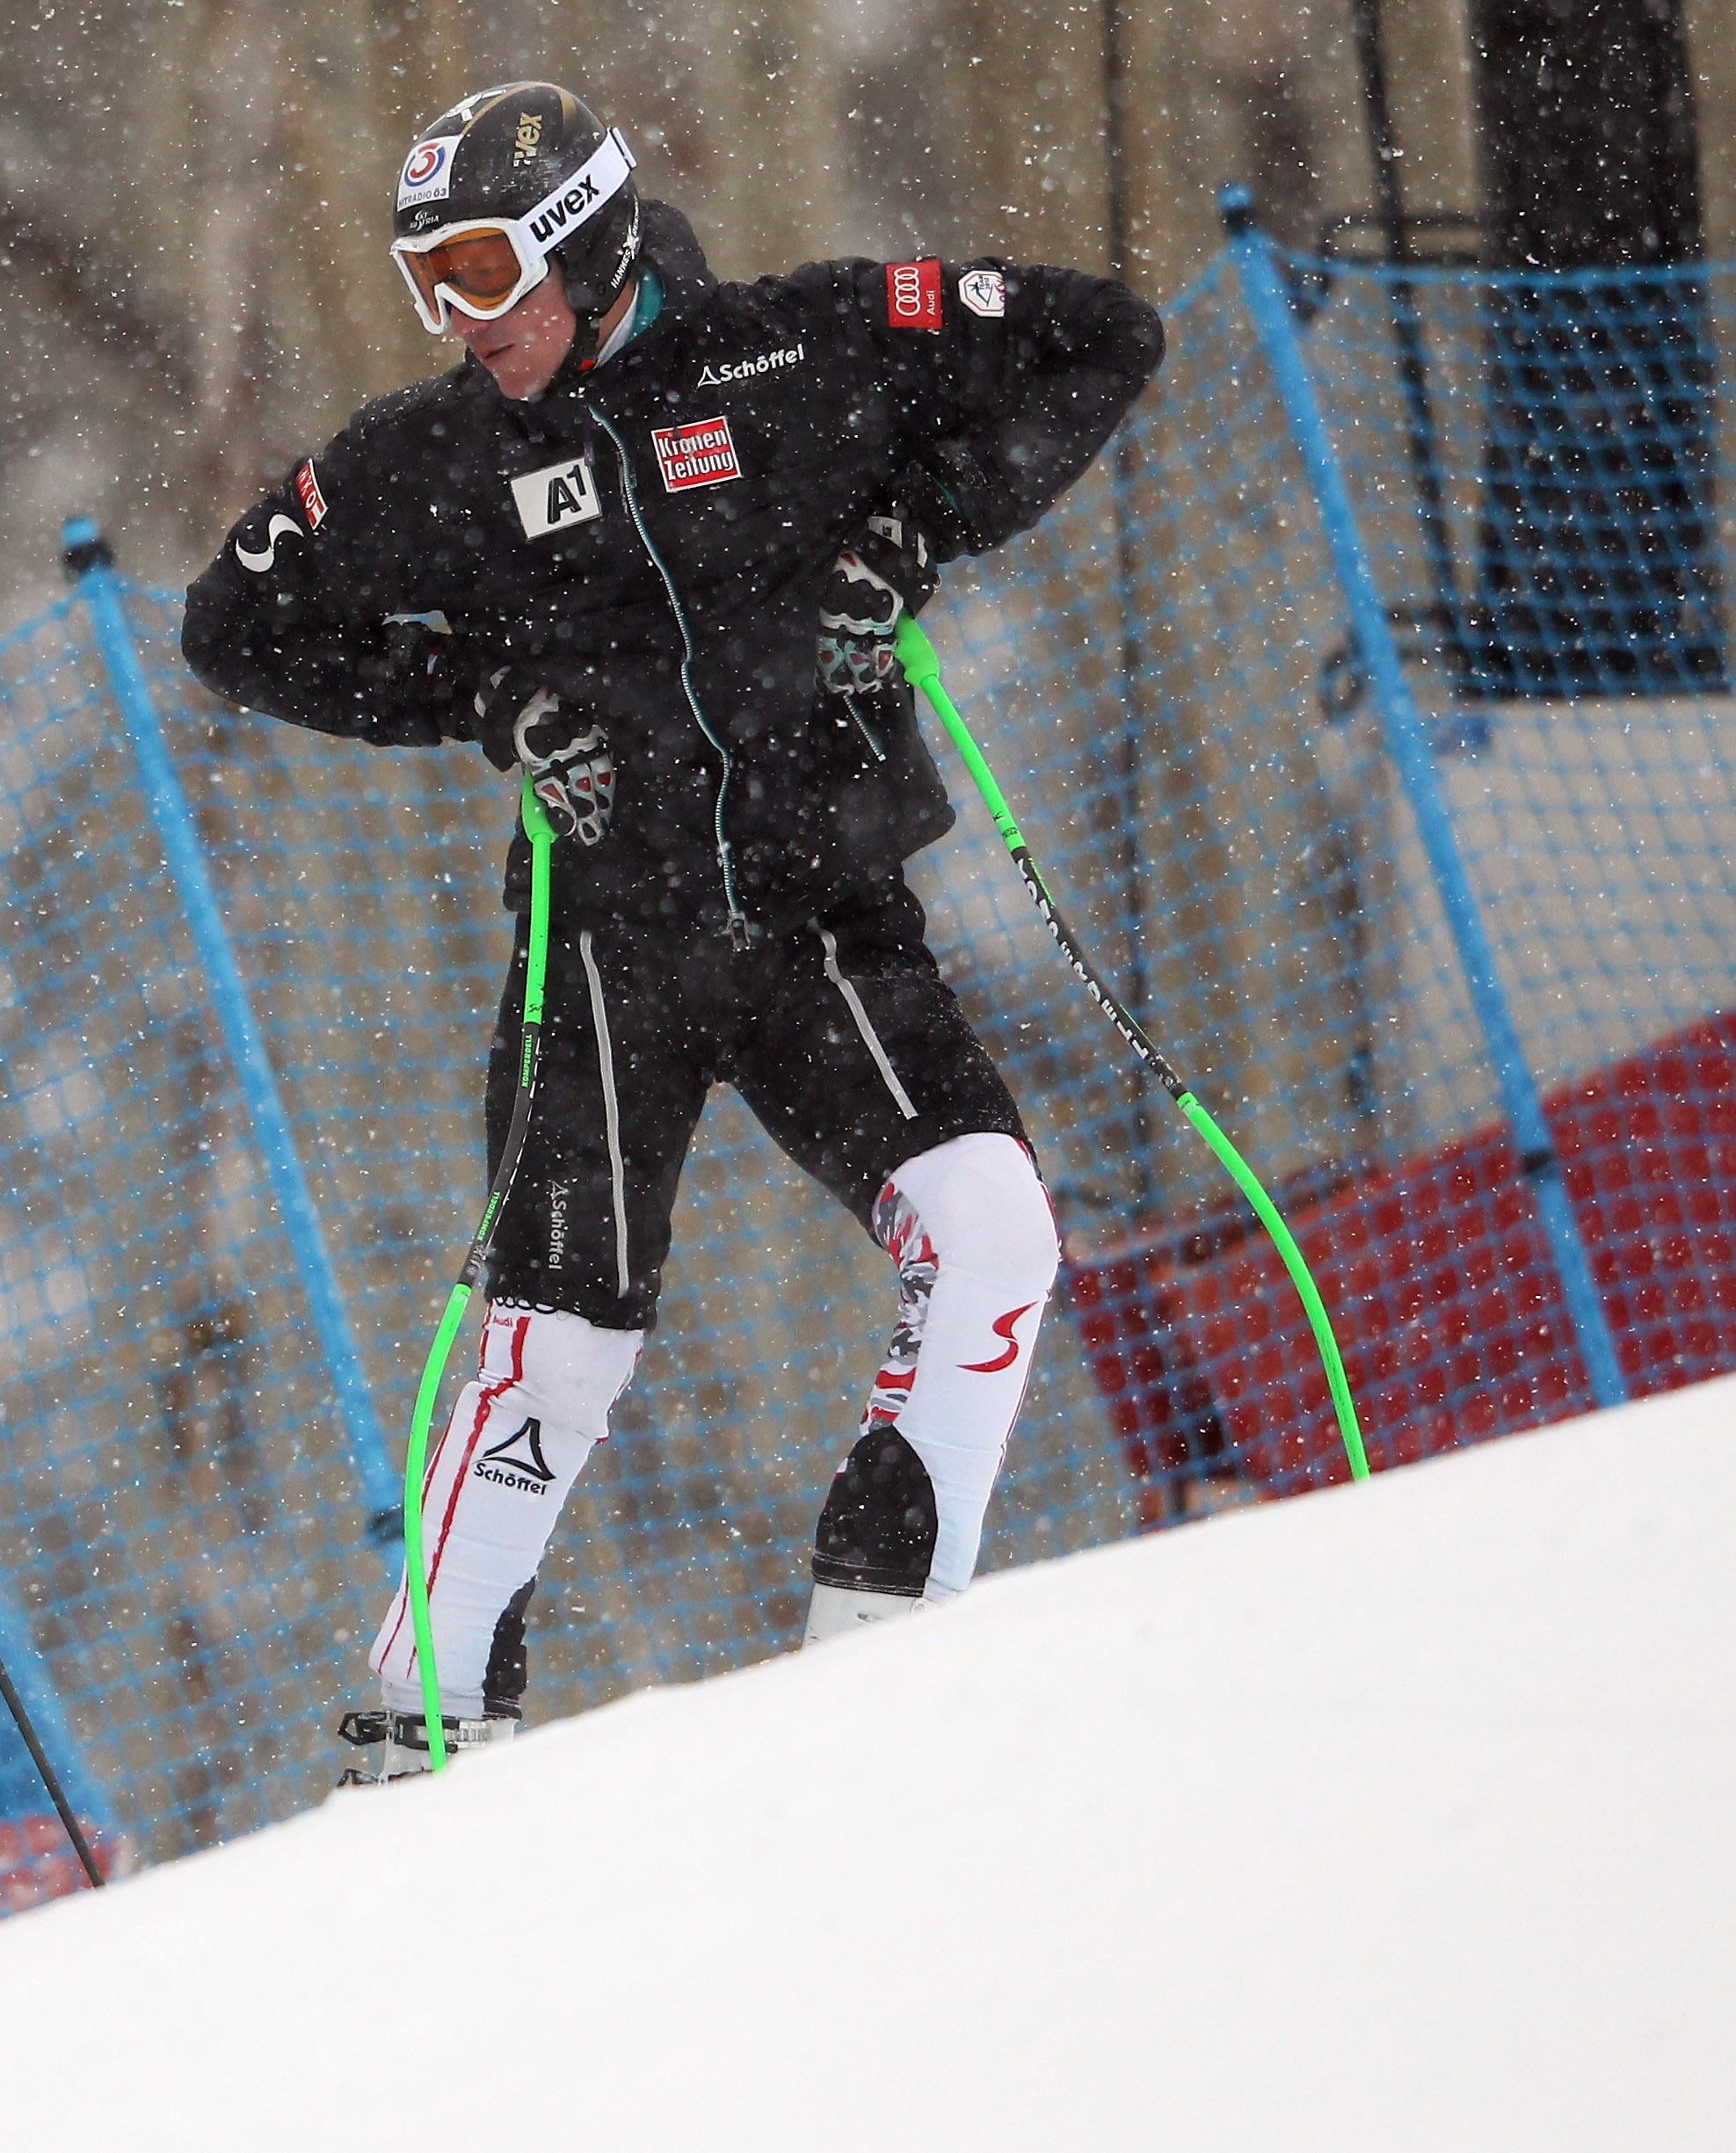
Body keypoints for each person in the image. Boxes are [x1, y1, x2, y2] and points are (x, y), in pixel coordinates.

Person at [179, 83, 1164, 1779]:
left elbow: (1103, 338)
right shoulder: (432, 455)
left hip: (822, 919)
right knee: (558, 1353)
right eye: (428, 281)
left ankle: (880, 1643)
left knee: (994, 1230)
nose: (461, 318)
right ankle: (419, 1733)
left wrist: (915, 530)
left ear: (589, 242)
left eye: (484, 270)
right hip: (604, 953)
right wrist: (476, 696)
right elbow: (235, 623)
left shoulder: (802, 344)